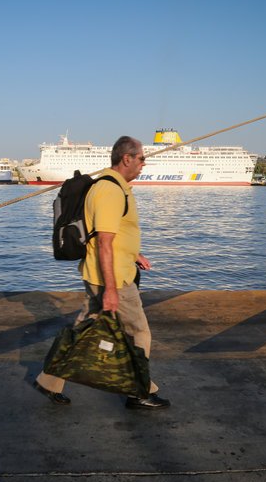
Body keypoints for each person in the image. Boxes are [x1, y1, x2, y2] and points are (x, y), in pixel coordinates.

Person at [34, 136, 170, 410]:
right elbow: (105, 242)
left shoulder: (116, 187)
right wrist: (111, 289)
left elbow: (109, 235)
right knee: (139, 333)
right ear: (127, 158)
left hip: (106, 272)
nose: (144, 163)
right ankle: (139, 391)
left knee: (82, 331)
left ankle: (49, 380)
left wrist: (134, 254)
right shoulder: (109, 190)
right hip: (114, 278)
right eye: (142, 158)